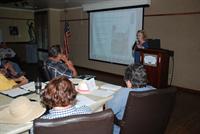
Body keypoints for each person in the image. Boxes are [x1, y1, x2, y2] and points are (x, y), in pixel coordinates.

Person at [106, 64, 154, 134]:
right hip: (145, 128)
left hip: (122, 130)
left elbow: (108, 111)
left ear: (128, 81)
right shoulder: (153, 90)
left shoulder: (123, 93)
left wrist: (113, 96)